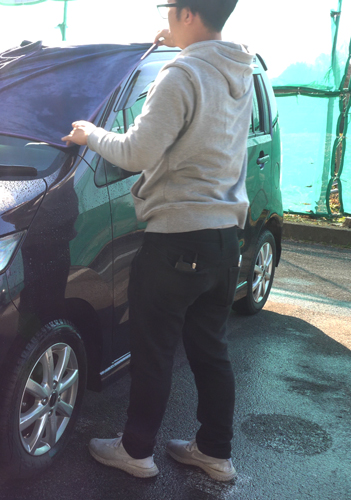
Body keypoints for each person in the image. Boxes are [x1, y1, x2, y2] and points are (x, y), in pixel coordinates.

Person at [61, 0, 253, 482]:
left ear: (187, 13)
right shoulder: (239, 68)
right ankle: (215, 453)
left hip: (176, 240)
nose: (166, 17)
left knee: (154, 350)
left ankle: (136, 451)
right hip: (224, 239)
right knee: (211, 351)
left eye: (170, 9)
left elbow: (136, 152)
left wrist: (89, 133)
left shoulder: (180, 75)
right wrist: (183, 46)